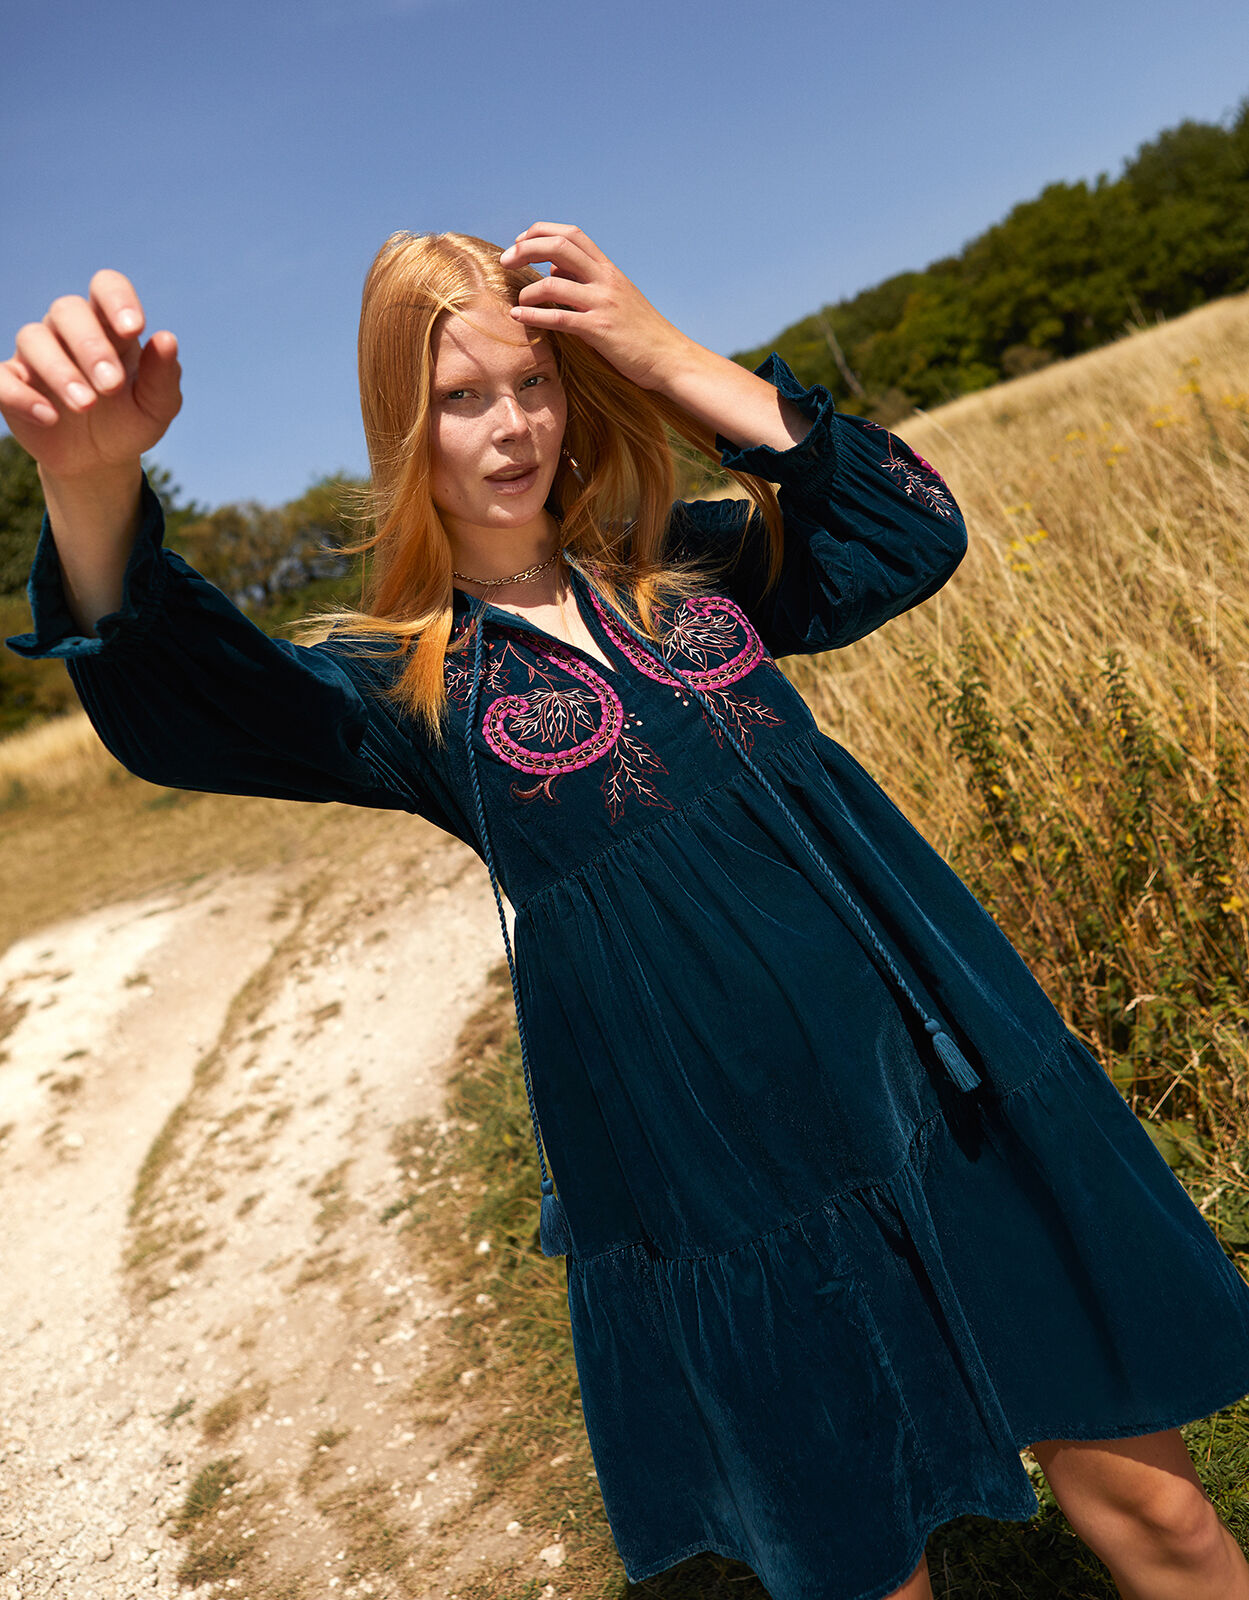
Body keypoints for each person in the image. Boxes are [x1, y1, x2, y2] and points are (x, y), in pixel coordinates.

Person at [4, 223, 1249, 1600]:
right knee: (867, 1573)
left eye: (533, 381)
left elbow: (907, 527)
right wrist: (92, 486)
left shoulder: (687, 559)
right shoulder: (399, 680)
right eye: (461, 398)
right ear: (400, 426)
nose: (512, 426)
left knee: (1161, 1517)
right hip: (731, 1176)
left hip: (941, 1083)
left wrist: (658, 352)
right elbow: (183, 706)